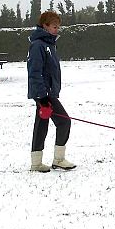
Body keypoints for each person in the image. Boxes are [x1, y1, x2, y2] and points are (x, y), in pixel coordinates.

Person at [27, 10, 76, 171]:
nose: (57, 30)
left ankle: (36, 163)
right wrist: (42, 98)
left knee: (41, 125)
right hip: (44, 94)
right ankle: (58, 159)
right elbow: (35, 72)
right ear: (45, 26)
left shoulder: (49, 45)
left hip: (48, 92)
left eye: (58, 27)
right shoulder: (38, 46)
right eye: (54, 27)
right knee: (64, 121)